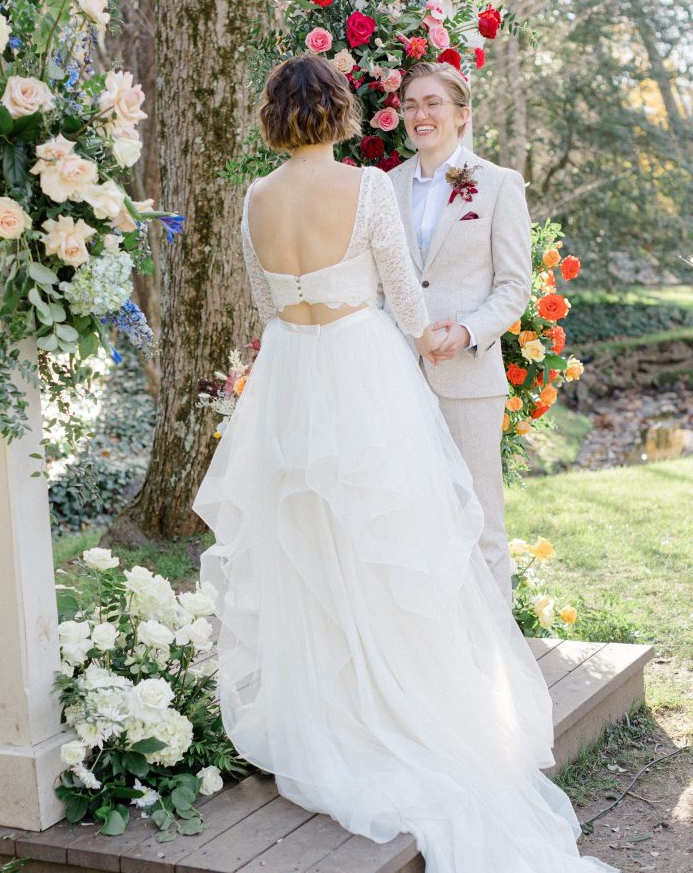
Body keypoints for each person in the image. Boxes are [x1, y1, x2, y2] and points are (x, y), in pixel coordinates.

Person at [193, 54, 617, 873]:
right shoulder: (367, 190)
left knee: (309, 544)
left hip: (290, 372)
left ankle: (329, 715)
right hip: (360, 368)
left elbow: (260, 299)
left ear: (274, 118)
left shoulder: (255, 199)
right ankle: (409, 709)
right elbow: (409, 303)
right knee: (394, 540)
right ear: (341, 114)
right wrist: (423, 335)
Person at [388, 61, 532, 608]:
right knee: (410, 514)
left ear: (462, 114)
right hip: (398, 373)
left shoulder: (498, 184)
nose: (420, 115)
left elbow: (514, 285)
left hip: (470, 379)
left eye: (432, 104)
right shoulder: (384, 187)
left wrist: (468, 331)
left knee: (480, 517)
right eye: (411, 105)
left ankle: (498, 655)